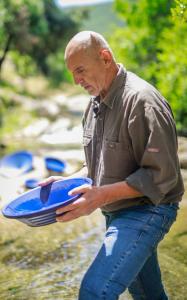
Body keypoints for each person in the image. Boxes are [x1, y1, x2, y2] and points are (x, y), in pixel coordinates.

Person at [39, 31, 184, 300]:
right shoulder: (93, 106)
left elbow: (161, 176)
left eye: (80, 70)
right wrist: (64, 183)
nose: (76, 81)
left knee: (94, 291)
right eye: (72, 73)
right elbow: (94, 167)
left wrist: (100, 196)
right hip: (116, 212)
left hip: (150, 210)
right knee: (147, 295)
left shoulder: (143, 101)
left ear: (105, 58)